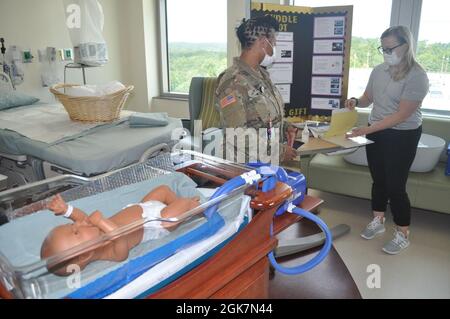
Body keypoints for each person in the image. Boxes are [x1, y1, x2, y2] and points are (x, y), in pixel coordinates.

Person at [345, 26, 429, 255]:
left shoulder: (418, 76)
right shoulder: (379, 70)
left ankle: (403, 233)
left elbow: (401, 115)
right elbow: (368, 98)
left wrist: (368, 128)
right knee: (378, 179)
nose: (386, 52)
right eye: (383, 48)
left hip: (402, 134)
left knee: (395, 185)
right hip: (377, 130)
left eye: (391, 48)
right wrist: (355, 101)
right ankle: (378, 220)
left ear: (406, 46)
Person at [41, 185, 201, 276]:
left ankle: (179, 205)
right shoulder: (110, 252)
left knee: (163, 190)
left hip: (142, 206)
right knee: (171, 217)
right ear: (85, 254)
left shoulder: (91, 232)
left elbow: (81, 218)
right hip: (157, 223)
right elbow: (120, 238)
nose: (79, 224)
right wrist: (102, 221)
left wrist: (66, 210)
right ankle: (193, 207)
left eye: (71, 226)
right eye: (76, 232)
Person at [214, 15, 298, 165]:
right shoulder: (232, 82)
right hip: (244, 167)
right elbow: (238, 134)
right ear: (263, 42)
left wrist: (285, 127)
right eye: (273, 40)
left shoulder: (261, 75)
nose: (275, 44)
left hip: (265, 163)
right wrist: (279, 152)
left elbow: (263, 118)